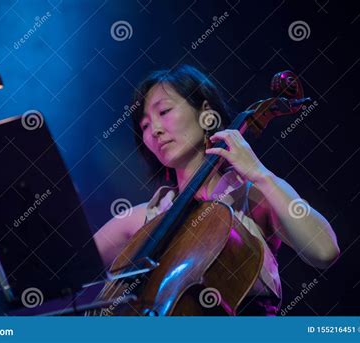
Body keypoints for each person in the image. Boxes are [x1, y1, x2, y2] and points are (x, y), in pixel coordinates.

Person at [93, 64, 340, 315]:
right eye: (144, 125)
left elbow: (324, 251)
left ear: (205, 114)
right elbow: (68, 274)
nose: (154, 130)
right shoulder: (147, 217)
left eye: (164, 111)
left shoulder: (251, 196)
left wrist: (260, 173)